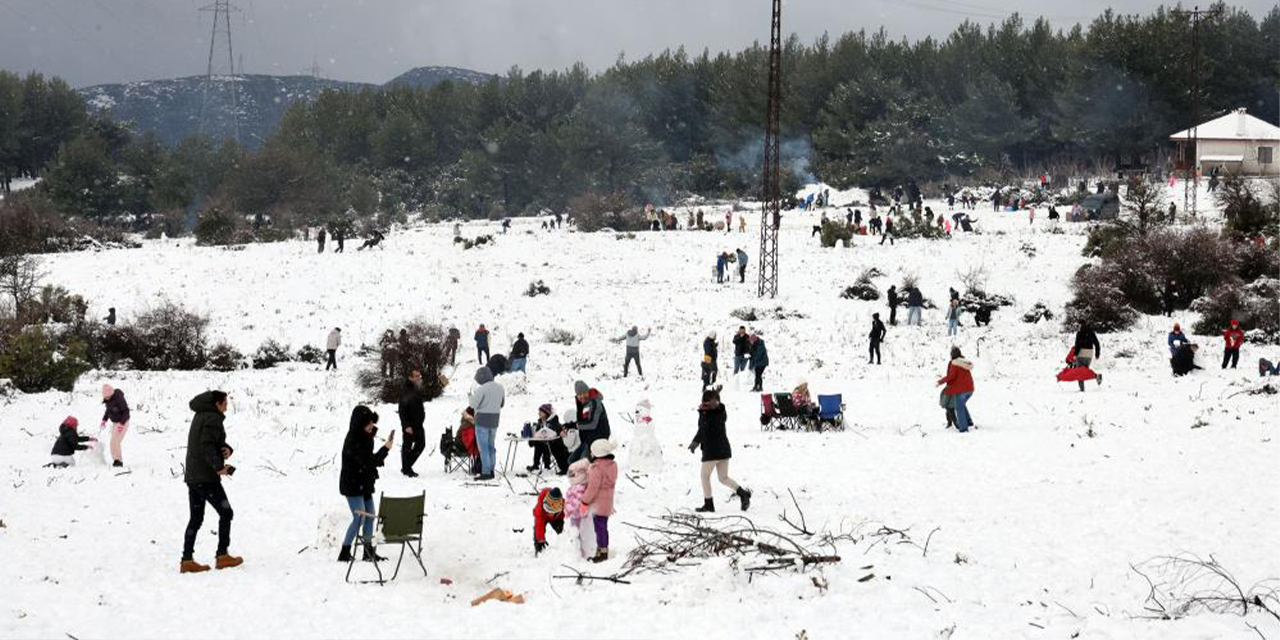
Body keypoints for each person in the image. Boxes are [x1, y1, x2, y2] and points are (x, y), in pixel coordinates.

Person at [181, 390, 242, 573]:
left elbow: (211, 442)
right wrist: (219, 468)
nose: (227, 406)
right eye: (225, 402)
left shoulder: (202, 415)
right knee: (226, 513)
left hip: (194, 476)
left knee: (196, 518)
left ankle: (187, 560)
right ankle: (222, 556)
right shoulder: (213, 418)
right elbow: (206, 446)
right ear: (217, 403)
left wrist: (226, 449)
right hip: (206, 477)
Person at [339, 405, 394, 563]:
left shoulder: (366, 435)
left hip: (365, 482)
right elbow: (368, 461)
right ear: (359, 424)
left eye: (372, 421)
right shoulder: (352, 441)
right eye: (368, 423)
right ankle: (344, 552)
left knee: (370, 517)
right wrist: (385, 449)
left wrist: (384, 444)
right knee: (359, 518)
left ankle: (368, 552)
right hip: (352, 484)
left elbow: (369, 458)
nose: (372, 425)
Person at [689, 389, 751, 513]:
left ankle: (709, 504)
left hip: (712, 450)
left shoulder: (708, 414)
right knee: (723, 478)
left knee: (704, 476)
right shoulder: (720, 412)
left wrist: (695, 443)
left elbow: (703, 430)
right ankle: (743, 493)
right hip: (724, 450)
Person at [581, 439, 618, 563]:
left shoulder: (597, 468)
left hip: (598, 503)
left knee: (600, 528)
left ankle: (602, 552)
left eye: (592, 452)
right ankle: (602, 549)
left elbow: (593, 488)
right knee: (603, 526)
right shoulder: (612, 465)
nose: (590, 454)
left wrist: (584, 501)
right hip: (607, 502)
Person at [468, 366, 505, 480]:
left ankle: (486, 472)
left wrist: (470, 396)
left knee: (483, 447)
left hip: (482, 420)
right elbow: (502, 404)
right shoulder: (500, 387)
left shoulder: (482, 389)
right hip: (494, 420)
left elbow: (473, 405)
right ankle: (491, 470)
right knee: (491, 446)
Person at [569, 381, 611, 464]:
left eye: (584, 393)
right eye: (579, 394)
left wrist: (576, 426)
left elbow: (592, 424)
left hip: (598, 438)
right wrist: (570, 425)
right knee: (572, 460)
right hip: (588, 440)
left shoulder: (595, 402)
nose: (582, 396)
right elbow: (582, 421)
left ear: (588, 392)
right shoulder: (584, 404)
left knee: (583, 463)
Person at [936, 347, 975, 433]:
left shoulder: (954, 363)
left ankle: (963, 428)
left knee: (959, 407)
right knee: (962, 404)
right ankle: (969, 421)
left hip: (961, 390)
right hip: (970, 389)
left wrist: (940, 382)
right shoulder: (964, 362)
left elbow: (951, 376)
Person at [564, 460, 597, 558]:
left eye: (572, 474)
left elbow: (577, 502)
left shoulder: (580, 487)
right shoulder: (577, 486)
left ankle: (580, 552)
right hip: (577, 515)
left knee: (578, 534)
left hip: (577, 515)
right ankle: (579, 550)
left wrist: (568, 509)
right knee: (577, 534)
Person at [398, 369, 426, 477]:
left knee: (421, 445)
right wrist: (406, 425)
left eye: (419, 376)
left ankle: (406, 466)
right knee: (407, 447)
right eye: (417, 376)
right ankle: (407, 468)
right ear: (410, 377)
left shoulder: (416, 387)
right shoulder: (406, 390)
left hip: (418, 424)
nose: (419, 378)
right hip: (409, 424)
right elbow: (402, 410)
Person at [527, 404, 568, 474]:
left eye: (541, 412)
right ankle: (536, 464)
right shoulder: (540, 423)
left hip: (554, 444)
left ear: (546, 413)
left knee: (545, 446)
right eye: (539, 412)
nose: (539, 413)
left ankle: (547, 465)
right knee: (537, 444)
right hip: (544, 442)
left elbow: (557, 432)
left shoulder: (554, 422)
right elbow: (537, 434)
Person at [100, 384, 130, 467]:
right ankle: (116, 460)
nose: (106, 398)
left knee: (115, 441)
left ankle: (119, 461)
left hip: (123, 421)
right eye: (105, 397)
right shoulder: (108, 400)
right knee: (113, 442)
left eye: (107, 397)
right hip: (115, 423)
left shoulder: (118, 398)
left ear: (111, 394)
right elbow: (108, 411)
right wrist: (104, 420)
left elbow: (126, 411)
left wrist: (122, 424)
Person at [532, 487, 566, 555]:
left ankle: (565, 547)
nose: (550, 514)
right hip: (543, 517)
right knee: (537, 532)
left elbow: (567, 518)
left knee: (562, 531)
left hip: (557, 518)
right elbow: (539, 525)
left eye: (552, 512)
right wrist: (540, 539)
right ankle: (539, 550)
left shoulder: (563, 506)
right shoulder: (540, 510)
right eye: (548, 511)